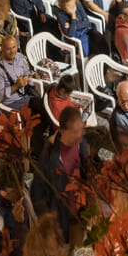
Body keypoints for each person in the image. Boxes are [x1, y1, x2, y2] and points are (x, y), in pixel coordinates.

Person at [30, 105, 92, 244]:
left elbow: (86, 170)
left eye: (80, 130)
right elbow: (37, 192)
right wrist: (48, 224)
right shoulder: (49, 157)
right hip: (61, 219)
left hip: (79, 213)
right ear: (62, 131)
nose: (79, 135)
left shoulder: (81, 143)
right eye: (75, 131)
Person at [0, 35, 33, 112]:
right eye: (8, 49)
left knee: (45, 106)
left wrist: (30, 78)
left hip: (26, 96)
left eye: (14, 47)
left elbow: (26, 72)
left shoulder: (19, 57)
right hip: (11, 104)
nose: (12, 51)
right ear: (2, 49)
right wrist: (16, 86)